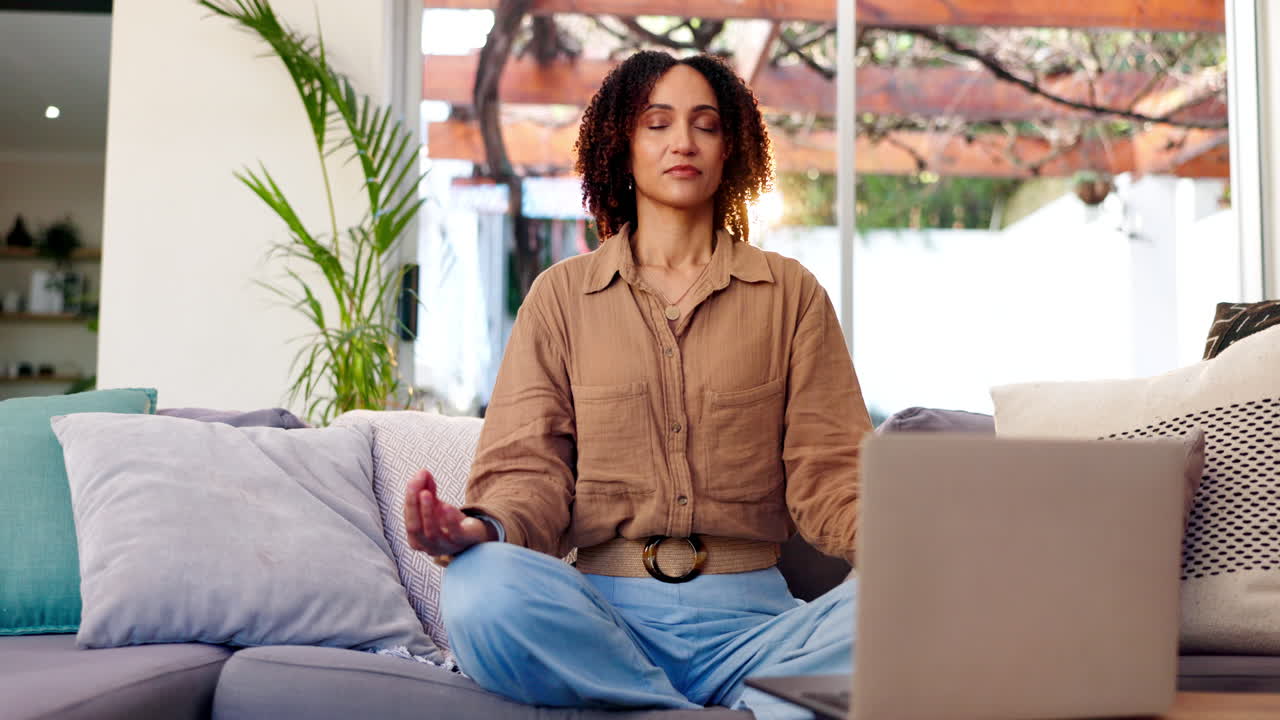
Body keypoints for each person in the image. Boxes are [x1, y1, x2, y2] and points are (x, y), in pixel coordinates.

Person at [403, 49, 873, 720]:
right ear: (621, 144)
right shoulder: (560, 298)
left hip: (762, 632)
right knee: (480, 588)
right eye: (658, 123)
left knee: (918, 593)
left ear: (731, 147)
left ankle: (647, 709)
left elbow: (832, 474)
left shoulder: (790, 294)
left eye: (705, 124)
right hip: (604, 623)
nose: (683, 141)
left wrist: (911, 547)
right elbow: (528, 469)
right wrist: (479, 528)